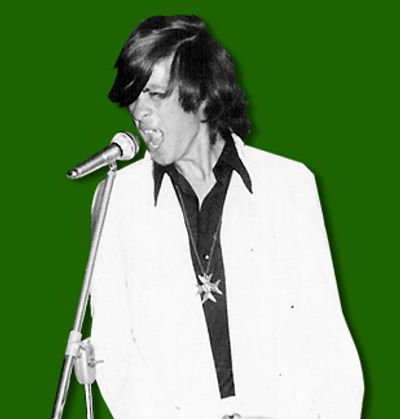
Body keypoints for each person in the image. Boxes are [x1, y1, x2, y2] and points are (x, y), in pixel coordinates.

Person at [90, 15, 364, 419]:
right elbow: (114, 351)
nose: (139, 111)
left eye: (156, 94)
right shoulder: (116, 198)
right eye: (134, 95)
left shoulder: (290, 185)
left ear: (202, 95)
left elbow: (327, 341)